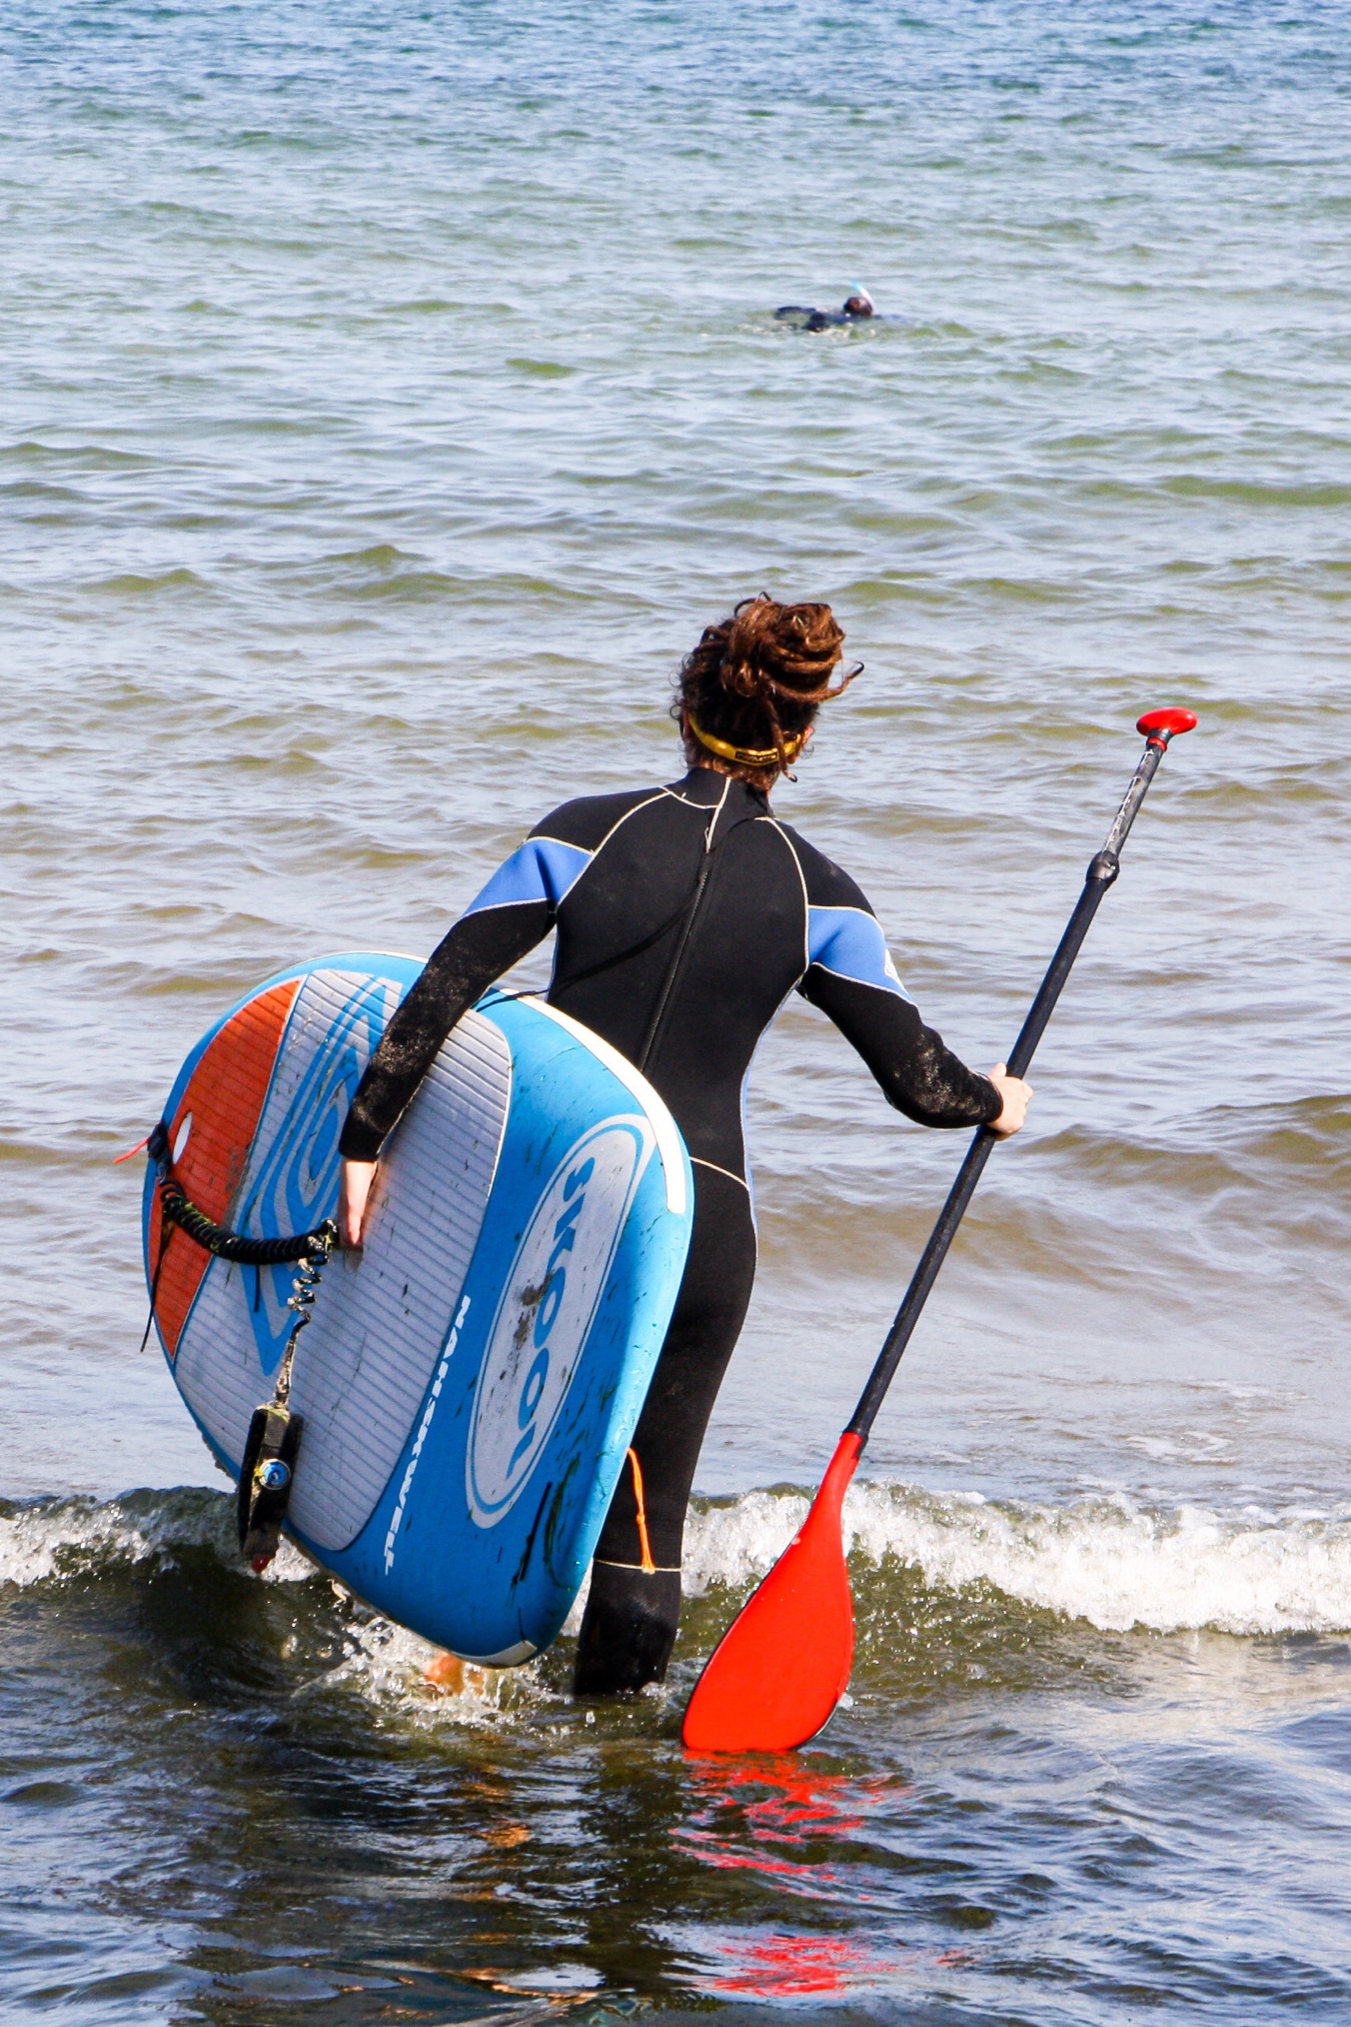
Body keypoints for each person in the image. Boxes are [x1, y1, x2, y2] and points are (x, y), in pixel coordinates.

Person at [336, 598, 1032, 1695]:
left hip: (557, 1200)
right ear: (798, 738)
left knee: (481, 1473)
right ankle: (618, 1770)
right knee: (647, 1509)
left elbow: (446, 987)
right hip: (696, 1227)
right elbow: (917, 1080)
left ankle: (470, 1759)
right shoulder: (821, 894)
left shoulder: (582, 830)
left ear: (684, 706)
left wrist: (363, 1139)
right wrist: (991, 1097)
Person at [775, 287, 876, 332]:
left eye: (856, 302)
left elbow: (797, 309)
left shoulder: (830, 311)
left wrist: (781, 313)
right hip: (825, 326)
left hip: (817, 319)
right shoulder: (863, 319)